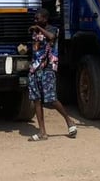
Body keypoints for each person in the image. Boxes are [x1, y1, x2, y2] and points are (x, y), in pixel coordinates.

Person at [27, 8, 77, 141]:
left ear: (45, 19)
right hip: (35, 69)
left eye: (38, 19)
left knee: (51, 98)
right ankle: (42, 132)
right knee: (36, 99)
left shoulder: (53, 29)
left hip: (48, 68)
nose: (35, 20)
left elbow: (51, 38)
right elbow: (35, 48)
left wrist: (38, 27)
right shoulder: (35, 32)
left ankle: (69, 121)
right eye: (35, 19)